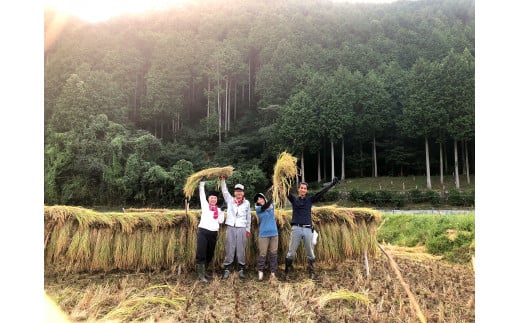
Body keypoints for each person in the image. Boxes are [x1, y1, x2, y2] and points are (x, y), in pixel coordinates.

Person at [285, 177, 339, 280]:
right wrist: (280, 181)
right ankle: (287, 273)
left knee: (310, 252)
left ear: (307, 190)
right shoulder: (294, 199)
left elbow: (321, 193)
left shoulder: (309, 200)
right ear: (298, 189)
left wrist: (331, 184)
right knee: (291, 252)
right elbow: (283, 190)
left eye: (305, 188)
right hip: (296, 228)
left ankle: (312, 272)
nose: (303, 190)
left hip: (307, 229)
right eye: (301, 188)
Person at [220, 177, 252, 279]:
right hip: (231, 226)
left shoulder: (247, 203)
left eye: (240, 191)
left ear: (243, 193)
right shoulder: (230, 200)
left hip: (242, 227)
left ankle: (241, 268)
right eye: (237, 191)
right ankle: (227, 268)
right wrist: (223, 181)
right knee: (230, 247)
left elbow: (249, 217)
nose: (238, 193)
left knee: (241, 248)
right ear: (234, 193)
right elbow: (224, 191)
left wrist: (248, 229)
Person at [195, 178, 225, 283]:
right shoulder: (205, 206)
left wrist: (222, 211)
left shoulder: (218, 209)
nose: (213, 200)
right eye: (211, 198)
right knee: (201, 252)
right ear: (208, 199)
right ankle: (201, 274)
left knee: (210, 254)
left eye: (215, 198)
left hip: (213, 233)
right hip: (203, 232)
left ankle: (205, 271)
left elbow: (221, 221)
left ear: (217, 200)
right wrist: (202, 183)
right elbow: (201, 194)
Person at [253, 192, 278, 281]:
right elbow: (265, 206)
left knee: (273, 254)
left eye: (261, 198)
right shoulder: (259, 209)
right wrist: (272, 196)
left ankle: (273, 273)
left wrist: (277, 192)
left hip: (274, 233)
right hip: (263, 234)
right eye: (258, 199)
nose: (260, 200)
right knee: (262, 253)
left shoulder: (272, 207)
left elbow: (276, 202)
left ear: (264, 198)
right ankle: (260, 272)